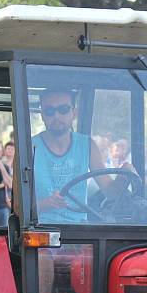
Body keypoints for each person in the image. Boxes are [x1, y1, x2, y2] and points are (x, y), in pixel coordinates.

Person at [32, 88, 117, 223]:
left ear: (74, 113)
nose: (56, 116)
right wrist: (46, 203)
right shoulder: (29, 147)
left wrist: (124, 178)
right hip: (40, 233)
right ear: (42, 115)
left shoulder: (87, 145)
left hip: (79, 232)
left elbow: (110, 192)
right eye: (49, 111)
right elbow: (17, 207)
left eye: (63, 109)